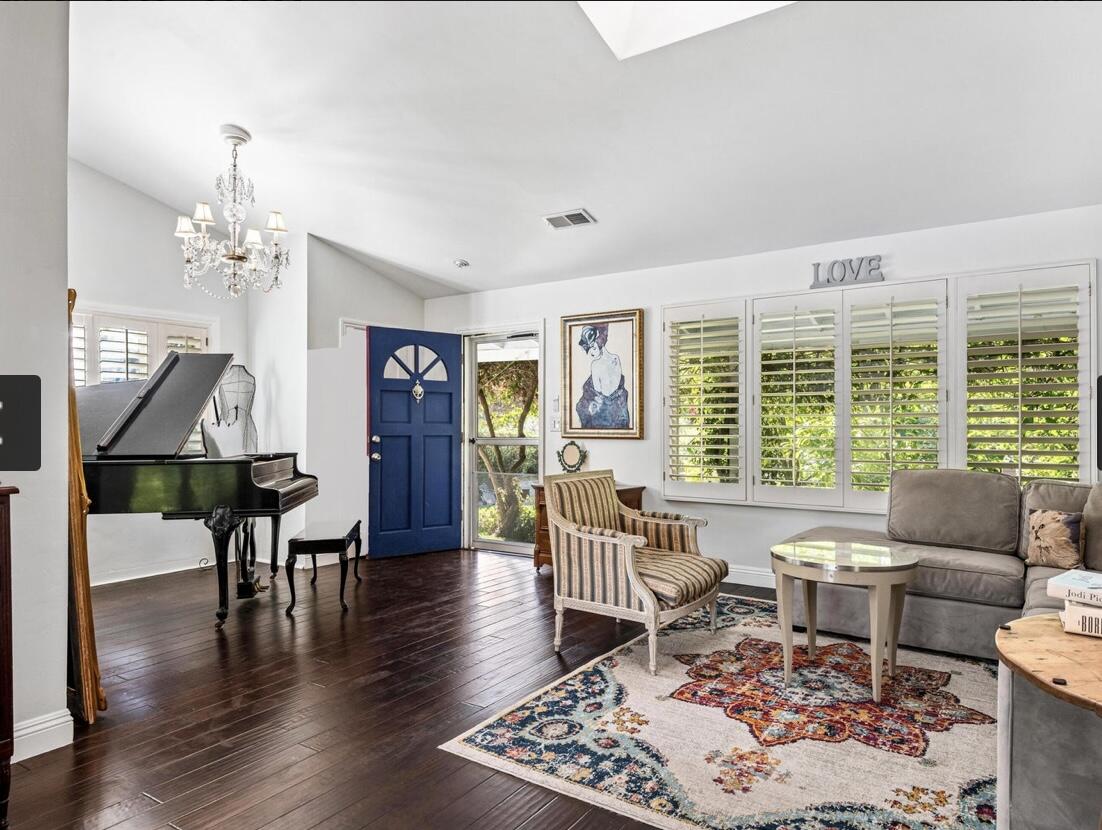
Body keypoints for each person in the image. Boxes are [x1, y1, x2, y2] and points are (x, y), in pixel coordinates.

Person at [575, 324, 629, 429]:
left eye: (592, 348)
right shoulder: (615, 359)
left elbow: (600, 390)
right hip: (618, 410)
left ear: (600, 343)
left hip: (603, 412)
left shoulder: (595, 364)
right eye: (589, 349)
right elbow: (610, 389)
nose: (591, 353)